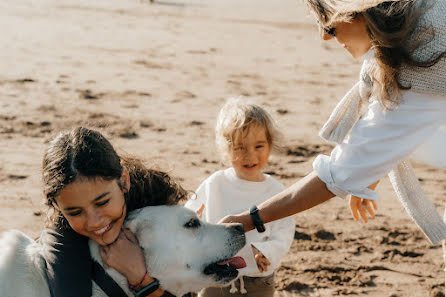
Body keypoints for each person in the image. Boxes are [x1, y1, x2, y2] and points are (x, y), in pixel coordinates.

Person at [220, 0, 446, 288]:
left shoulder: (424, 62)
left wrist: (248, 220)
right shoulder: (424, 22)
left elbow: (337, 174)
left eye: (328, 23)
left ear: (361, 9)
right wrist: (369, 171)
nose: (325, 36)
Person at [39, 126, 188, 297]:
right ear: (57, 207)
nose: (94, 222)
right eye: (75, 212)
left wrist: (140, 278)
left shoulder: (155, 203)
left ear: (124, 181)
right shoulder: (63, 235)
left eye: (102, 202)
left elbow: (186, 289)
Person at [185, 98, 295, 297]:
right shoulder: (214, 184)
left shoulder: (275, 191)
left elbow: (284, 232)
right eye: (240, 147)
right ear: (226, 149)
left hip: (257, 280)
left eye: (259, 146)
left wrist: (267, 250)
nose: (250, 155)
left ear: (270, 145)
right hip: (214, 277)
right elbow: (189, 215)